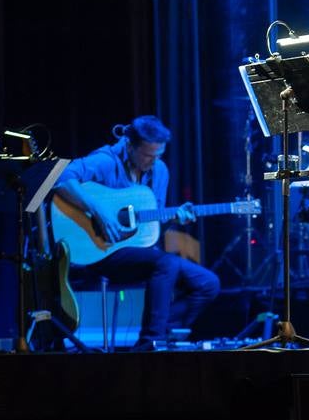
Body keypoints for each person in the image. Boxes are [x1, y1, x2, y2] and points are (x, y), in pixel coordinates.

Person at [52, 115, 220, 350]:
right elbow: (60, 178)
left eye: (158, 155)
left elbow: (151, 227)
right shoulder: (105, 161)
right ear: (130, 146)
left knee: (208, 283)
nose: (154, 161)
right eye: (148, 155)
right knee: (167, 263)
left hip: (135, 252)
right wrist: (97, 209)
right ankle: (150, 342)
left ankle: (164, 332)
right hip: (98, 250)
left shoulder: (159, 171)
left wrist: (172, 218)